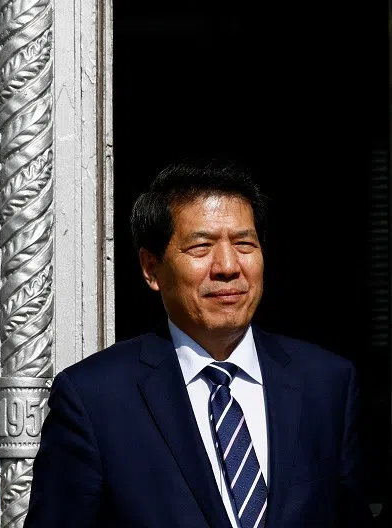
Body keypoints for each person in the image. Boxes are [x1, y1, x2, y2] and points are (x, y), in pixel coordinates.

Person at [25, 160, 373, 527]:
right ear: (150, 268)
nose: (227, 266)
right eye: (201, 247)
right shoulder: (94, 399)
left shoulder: (326, 383)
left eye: (244, 244)